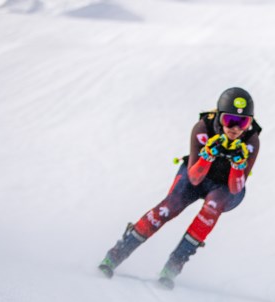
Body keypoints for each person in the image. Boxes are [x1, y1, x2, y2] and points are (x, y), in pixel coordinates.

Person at [98, 87, 262, 289]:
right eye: (229, 121)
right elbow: (194, 178)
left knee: (212, 206)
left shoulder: (252, 139)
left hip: (225, 186)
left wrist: (238, 164)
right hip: (198, 174)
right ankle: (116, 254)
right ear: (219, 117)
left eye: (242, 122)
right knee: (169, 206)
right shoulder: (203, 127)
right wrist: (208, 154)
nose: (235, 128)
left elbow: (235, 189)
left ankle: (175, 265)